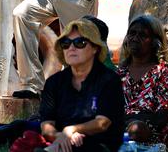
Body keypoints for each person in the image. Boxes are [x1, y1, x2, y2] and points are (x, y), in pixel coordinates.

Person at [38, 19, 124, 151]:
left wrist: (71, 129)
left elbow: (102, 123)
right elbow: (47, 124)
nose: (71, 48)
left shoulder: (109, 80)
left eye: (80, 42)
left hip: (100, 144)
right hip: (64, 141)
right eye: (66, 43)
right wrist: (59, 136)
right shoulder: (54, 82)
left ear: (95, 47)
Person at [117, 15, 168, 147]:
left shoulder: (165, 72)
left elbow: (163, 117)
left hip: (149, 137)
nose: (135, 38)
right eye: (132, 33)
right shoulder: (119, 74)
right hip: (119, 131)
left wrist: (134, 124)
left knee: (136, 130)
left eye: (142, 35)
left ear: (155, 42)